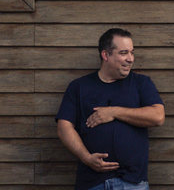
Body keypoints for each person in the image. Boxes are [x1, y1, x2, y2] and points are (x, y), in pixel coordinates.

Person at [56, 28, 165, 190]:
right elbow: (64, 127)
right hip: (92, 182)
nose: (130, 59)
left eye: (132, 52)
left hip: (132, 182)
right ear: (106, 55)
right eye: (123, 53)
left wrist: (113, 112)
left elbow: (158, 116)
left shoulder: (141, 83)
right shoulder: (79, 87)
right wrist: (86, 158)